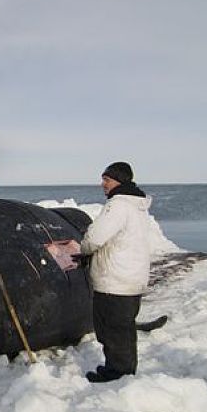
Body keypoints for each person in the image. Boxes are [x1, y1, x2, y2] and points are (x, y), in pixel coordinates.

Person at [75, 162, 152, 383]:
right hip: (132, 277)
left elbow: (96, 237)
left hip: (114, 279)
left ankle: (118, 373)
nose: (103, 184)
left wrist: (84, 249)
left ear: (119, 181)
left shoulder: (118, 205)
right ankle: (123, 369)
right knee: (124, 328)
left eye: (107, 180)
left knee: (112, 329)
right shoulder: (137, 206)